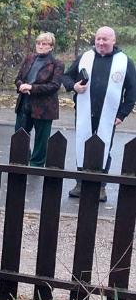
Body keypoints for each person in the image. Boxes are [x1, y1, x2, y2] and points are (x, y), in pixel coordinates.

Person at [62, 26, 136, 202]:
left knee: (105, 147)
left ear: (113, 40)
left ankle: (100, 186)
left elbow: (132, 92)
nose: (101, 42)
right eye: (98, 39)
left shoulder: (124, 62)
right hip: (84, 112)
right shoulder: (85, 57)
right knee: (82, 144)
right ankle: (80, 183)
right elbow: (66, 77)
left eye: (105, 39)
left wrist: (122, 114)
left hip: (109, 115)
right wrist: (74, 86)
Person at [13, 32, 64, 168]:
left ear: (51, 46)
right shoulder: (29, 58)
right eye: (38, 43)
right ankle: (21, 161)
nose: (41, 46)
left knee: (41, 140)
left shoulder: (56, 64)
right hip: (24, 102)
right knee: (20, 134)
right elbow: (18, 78)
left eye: (44, 44)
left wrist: (32, 87)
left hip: (44, 108)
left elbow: (54, 86)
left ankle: (36, 165)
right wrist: (21, 86)